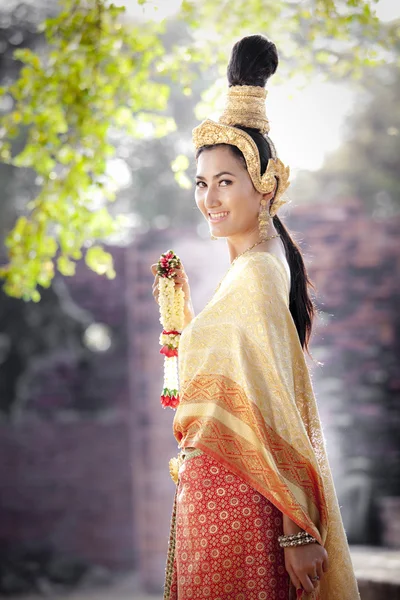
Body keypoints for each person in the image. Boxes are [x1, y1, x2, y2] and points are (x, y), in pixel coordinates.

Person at [151, 34, 360, 600]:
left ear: (264, 186)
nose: (209, 198)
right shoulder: (247, 273)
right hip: (215, 498)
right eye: (201, 183)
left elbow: (278, 403)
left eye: (225, 182)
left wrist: (297, 529)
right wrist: (180, 322)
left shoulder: (259, 275)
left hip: (241, 505)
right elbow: (199, 391)